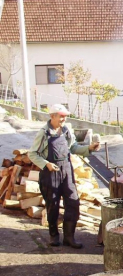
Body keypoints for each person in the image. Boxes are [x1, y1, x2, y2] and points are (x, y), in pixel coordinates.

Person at [28, 104, 101, 249]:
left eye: (65, 116)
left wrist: (88, 148)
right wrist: (46, 164)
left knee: (73, 202)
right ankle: (54, 236)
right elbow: (32, 154)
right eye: (61, 116)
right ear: (52, 116)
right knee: (53, 205)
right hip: (50, 173)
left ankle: (69, 237)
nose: (64, 119)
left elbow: (73, 147)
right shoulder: (44, 133)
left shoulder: (66, 130)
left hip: (66, 171)